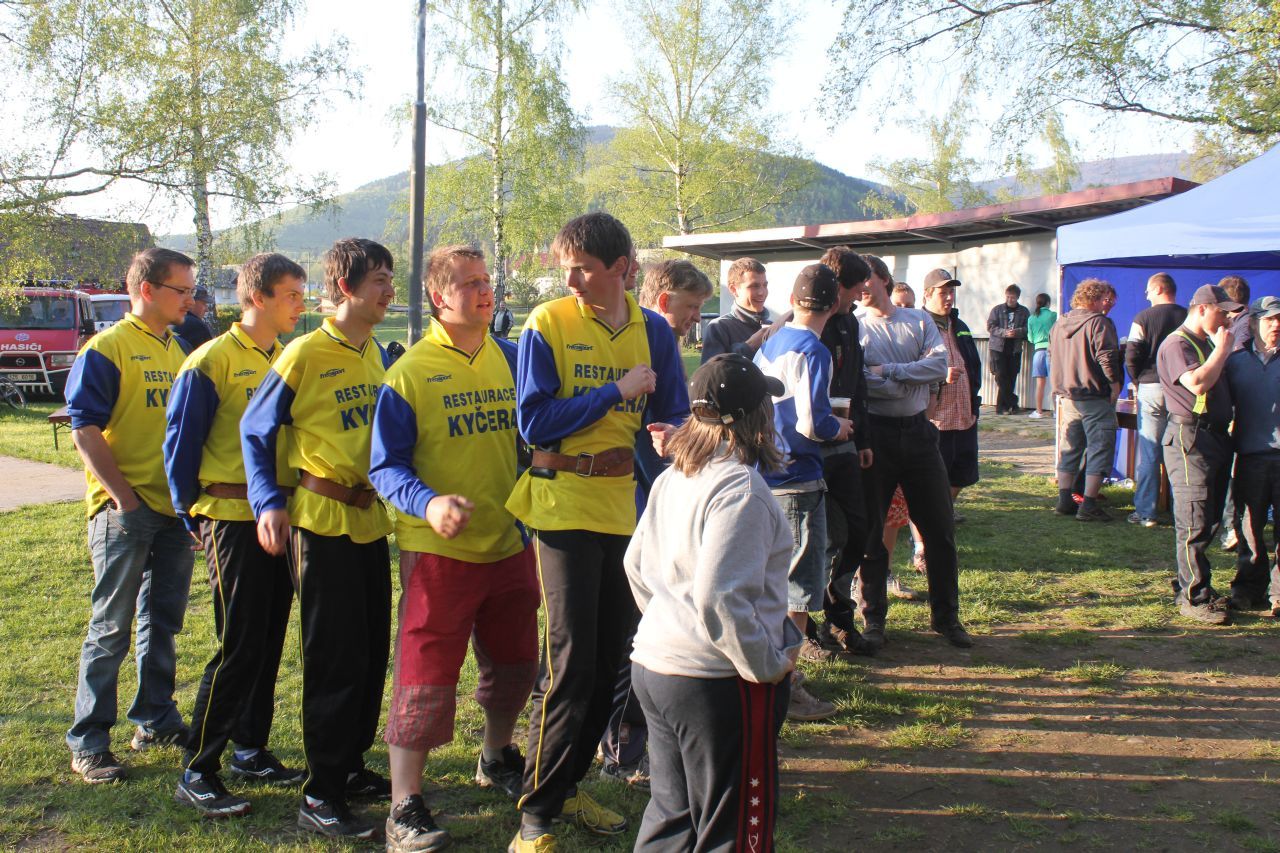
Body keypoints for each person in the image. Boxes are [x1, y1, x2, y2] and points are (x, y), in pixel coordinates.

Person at [504, 212, 689, 853]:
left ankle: (569, 783)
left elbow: (670, 411)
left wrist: (672, 435)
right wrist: (615, 391)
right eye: (567, 268)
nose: (571, 280)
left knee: (612, 657)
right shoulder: (548, 323)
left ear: (622, 269)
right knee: (571, 660)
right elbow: (534, 423)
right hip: (560, 505)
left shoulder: (653, 331)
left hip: (622, 509)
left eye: (582, 269)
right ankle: (535, 816)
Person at [369, 245, 538, 852]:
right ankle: (404, 806)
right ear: (440, 297)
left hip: (509, 541)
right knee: (426, 677)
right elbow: (384, 467)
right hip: (438, 552)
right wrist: (429, 502)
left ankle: (496, 754)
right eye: (469, 283)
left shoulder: (512, 358)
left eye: (487, 280)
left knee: (517, 663)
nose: (485, 290)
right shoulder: (409, 372)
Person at [241, 238, 397, 839]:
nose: (388, 291)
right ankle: (321, 792)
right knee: (334, 658)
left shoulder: (376, 353)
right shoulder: (305, 352)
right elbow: (256, 429)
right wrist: (268, 501)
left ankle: (350, 765)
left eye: (389, 279)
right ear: (345, 288)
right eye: (379, 280)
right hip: (321, 522)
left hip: (369, 521)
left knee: (369, 654)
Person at [625, 353, 802, 852]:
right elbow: (720, 595)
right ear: (756, 417)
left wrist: (670, 627)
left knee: (671, 814)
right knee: (732, 827)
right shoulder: (741, 488)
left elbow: (635, 565)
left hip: (655, 667)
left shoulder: (675, 476)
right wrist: (766, 667)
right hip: (717, 680)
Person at [163, 253, 308, 816]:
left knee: (269, 638)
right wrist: (192, 515)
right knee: (239, 644)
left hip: (280, 517)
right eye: (291, 294)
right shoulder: (211, 360)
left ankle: (250, 747)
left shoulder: (286, 356)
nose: (300, 304)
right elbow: (181, 444)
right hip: (230, 517)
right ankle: (198, 767)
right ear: (258, 297)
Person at [64, 248, 197, 783]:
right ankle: (89, 740)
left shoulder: (178, 348)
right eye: (181, 290)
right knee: (111, 626)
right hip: (125, 511)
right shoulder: (107, 348)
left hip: (172, 511)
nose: (190, 300)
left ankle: (155, 719)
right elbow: (84, 429)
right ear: (147, 290)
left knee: (162, 621)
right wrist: (123, 498)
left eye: (191, 291)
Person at [598, 257, 713, 792]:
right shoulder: (643, 339)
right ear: (664, 301)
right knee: (633, 628)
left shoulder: (656, 340)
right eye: (692, 307)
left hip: (646, 503)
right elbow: (653, 435)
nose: (696, 318)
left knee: (636, 624)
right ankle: (620, 745)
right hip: (633, 506)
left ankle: (628, 739)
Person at [855, 255, 972, 649]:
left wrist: (889, 372)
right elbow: (861, 383)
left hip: (920, 433)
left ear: (884, 280)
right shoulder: (856, 327)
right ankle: (873, 620)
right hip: (877, 434)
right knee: (874, 533)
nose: (861, 287)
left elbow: (938, 367)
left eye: (867, 279)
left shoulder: (918, 321)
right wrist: (909, 377)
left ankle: (947, 618)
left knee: (939, 528)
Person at [753, 263, 851, 717]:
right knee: (797, 591)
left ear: (792, 301)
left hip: (764, 474)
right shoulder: (814, 349)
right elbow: (813, 423)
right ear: (835, 304)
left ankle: (771, 674)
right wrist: (840, 428)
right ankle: (785, 686)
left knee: (770, 583)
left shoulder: (772, 341)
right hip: (797, 477)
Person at [1157, 283, 1241, 624]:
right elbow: (1197, 383)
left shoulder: (1205, 342)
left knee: (1209, 518)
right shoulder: (1177, 343)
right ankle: (1194, 596)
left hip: (1213, 437)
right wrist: (1223, 350)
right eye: (1223, 312)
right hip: (1190, 438)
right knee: (1194, 519)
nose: (1227, 321)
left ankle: (1193, 584)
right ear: (1203, 308)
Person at [1223, 296, 1280, 617]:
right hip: (1249, 457)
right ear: (1255, 322)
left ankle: (1279, 594)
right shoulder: (1235, 362)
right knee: (1250, 528)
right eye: (1270, 319)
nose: (1276, 325)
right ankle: (1248, 588)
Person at [1048, 278, 1121, 522]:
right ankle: (1088, 504)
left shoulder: (1059, 323)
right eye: (1104, 299)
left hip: (1068, 395)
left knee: (1070, 448)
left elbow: (1051, 355)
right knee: (1100, 447)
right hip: (1094, 395)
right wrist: (1115, 385)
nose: (1106, 303)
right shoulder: (1099, 323)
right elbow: (1107, 357)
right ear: (1095, 299)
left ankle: (1064, 500)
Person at [1123, 273, 1186, 527]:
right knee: (1180, 452)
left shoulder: (1142, 318)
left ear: (1159, 289)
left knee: (1150, 452)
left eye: (1148, 290)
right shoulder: (1187, 316)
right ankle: (1181, 509)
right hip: (1181, 388)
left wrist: (1137, 379)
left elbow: (1131, 353)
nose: (1146, 295)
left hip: (1151, 386)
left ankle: (1146, 512)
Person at [1217, 274, 1252, 550]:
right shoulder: (1244, 322)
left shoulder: (1244, 325)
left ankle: (1233, 527)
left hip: (1243, 409)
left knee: (1235, 469)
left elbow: (1236, 362)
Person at [700, 257, 770, 361]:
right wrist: (748, 347)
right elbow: (713, 370)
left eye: (765, 285)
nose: (762, 292)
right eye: (754, 286)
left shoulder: (772, 327)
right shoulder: (719, 328)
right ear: (733, 289)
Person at [986, 284, 1030, 414]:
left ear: (1017, 298)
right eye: (1008, 297)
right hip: (998, 347)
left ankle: (1002, 408)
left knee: (1011, 376)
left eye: (1013, 297)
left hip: (1014, 348)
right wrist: (1004, 332)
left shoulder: (1024, 311)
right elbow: (990, 327)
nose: (1010, 300)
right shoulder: (997, 310)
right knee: (1000, 375)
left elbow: (1028, 328)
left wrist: (1017, 332)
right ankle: (1013, 402)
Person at [1026, 293, 1057, 418]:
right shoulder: (1053, 315)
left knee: (1040, 384)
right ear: (1048, 303)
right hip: (1051, 351)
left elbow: (1030, 338)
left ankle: (1039, 411)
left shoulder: (1031, 318)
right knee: (1055, 383)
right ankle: (1056, 412)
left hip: (1038, 352)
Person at [173, 285, 216, 349]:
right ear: (193, 302)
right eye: (204, 304)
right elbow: (208, 352)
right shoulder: (196, 325)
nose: (206, 309)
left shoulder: (177, 320)